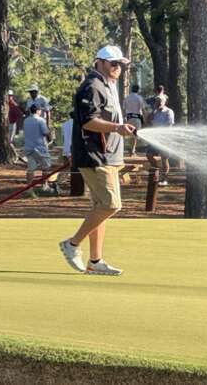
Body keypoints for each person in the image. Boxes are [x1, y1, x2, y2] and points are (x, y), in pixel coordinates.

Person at [58, 45, 136, 276]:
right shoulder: (92, 86)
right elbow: (88, 122)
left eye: (120, 64)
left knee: (100, 207)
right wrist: (117, 127)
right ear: (99, 63)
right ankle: (72, 244)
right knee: (111, 204)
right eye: (113, 63)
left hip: (109, 155)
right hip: (95, 155)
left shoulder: (108, 85)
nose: (118, 68)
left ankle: (95, 261)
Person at [23, 103, 56, 197]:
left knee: (30, 169)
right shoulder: (40, 120)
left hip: (29, 147)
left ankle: (29, 188)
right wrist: (51, 135)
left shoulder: (26, 121)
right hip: (40, 147)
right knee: (46, 167)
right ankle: (44, 185)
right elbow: (45, 132)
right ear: (38, 111)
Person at [145, 96, 175, 186]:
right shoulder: (155, 112)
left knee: (164, 159)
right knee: (149, 155)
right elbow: (147, 121)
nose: (158, 103)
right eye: (157, 101)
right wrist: (153, 112)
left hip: (165, 139)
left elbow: (169, 125)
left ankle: (164, 179)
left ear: (164, 102)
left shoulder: (169, 112)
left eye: (160, 101)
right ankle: (157, 171)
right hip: (154, 139)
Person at [123, 84, 147, 155]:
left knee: (129, 132)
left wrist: (124, 117)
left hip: (128, 117)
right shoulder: (139, 98)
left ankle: (130, 148)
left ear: (131, 89)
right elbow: (142, 108)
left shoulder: (127, 98)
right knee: (135, 134)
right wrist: (145, 119)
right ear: (138, 90)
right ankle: (133, 149)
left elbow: (124, 108)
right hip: (136, 118)